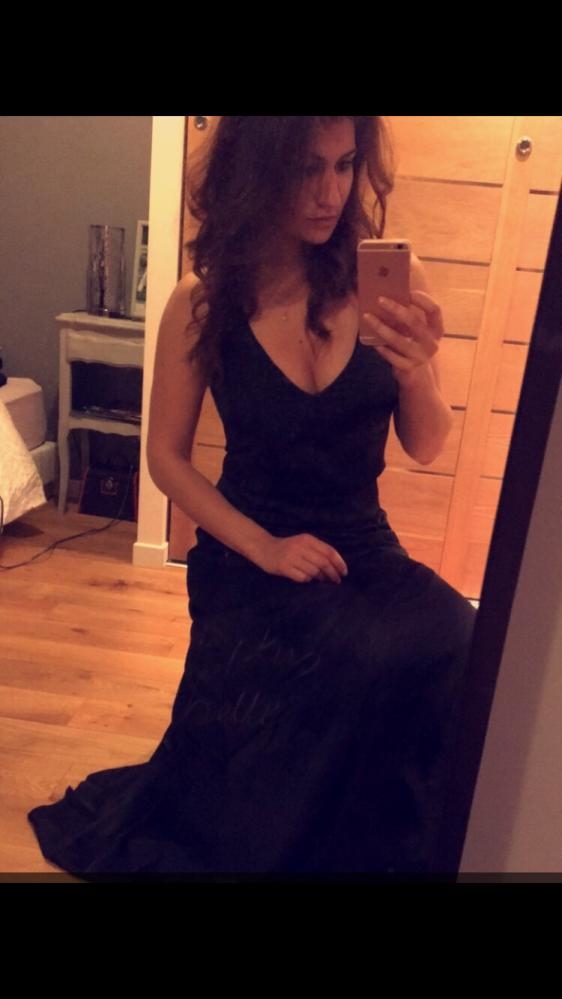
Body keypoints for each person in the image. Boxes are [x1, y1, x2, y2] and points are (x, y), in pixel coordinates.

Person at [28, 117, 476, 877]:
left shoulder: (390, 282)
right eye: (307, 169)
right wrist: (265, 547)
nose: (331, 193)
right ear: (257, 170)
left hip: (361, 544)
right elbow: (165, 459)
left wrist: (417, 370)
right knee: (354, 655)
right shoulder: (205, 302)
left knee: (457, 635)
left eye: (345, 166)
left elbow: (427, 443)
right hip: (248, 552)